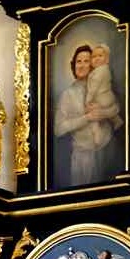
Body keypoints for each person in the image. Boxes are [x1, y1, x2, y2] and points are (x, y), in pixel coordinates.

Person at [54, 44, 121, 188]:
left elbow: (115, 108)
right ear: (73, 65)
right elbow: (59, 129)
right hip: (82, 156)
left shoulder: (102, 85)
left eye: (86, 61)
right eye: (79, 61)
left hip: (107, 150)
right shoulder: (67, 94)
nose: (82, 65)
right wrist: (87, 118)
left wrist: (102, 114)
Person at [85, 43, 123, 148]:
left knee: (93, 115)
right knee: (112, 114)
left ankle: (97, 136)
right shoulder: (105, 69)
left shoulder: (99, 72)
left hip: (102, 99)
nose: (96, 59)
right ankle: (117, 121)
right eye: (94, 57)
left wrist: (88, 100)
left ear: (106, 59)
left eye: (100, 56)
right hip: (108, 97)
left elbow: (93, 89)